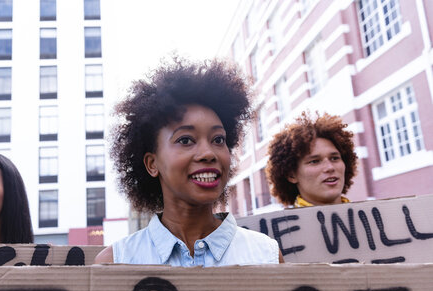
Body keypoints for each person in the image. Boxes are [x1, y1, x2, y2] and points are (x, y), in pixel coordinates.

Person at [95, 57, 283, 265]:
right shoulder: (115, 262)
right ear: (152, 164)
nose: (208, 153)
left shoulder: (267, 255)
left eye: (218, 139)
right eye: (185, 140)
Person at [265, 112, 358, 207]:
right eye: (315, 161)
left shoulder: (370, 217)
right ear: (291, 175)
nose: (330, 167)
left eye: (334, 158)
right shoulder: (286, 222)